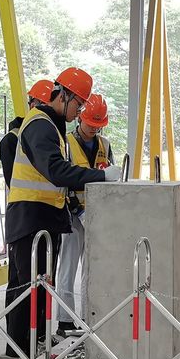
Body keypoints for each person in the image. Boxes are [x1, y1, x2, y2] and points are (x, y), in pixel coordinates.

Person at [4, 68, 121, 357]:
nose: (79, 111)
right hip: (30, 217)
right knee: (26, 289)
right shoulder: (40, 125)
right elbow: (56, 171)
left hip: (46, 217)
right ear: (64, 95)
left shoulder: (52, 127)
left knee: (40, 287)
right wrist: (101, 176)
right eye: (78, 104)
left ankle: (34, 344)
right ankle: (19, 352)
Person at [56, 93, 113, 337]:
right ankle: (65, 320)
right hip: (72, 216)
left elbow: (109, 179)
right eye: (90, 123)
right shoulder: (66, 143)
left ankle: (91, 316)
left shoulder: (105, 145)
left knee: (93, 270)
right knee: (68, 268)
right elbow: (62, 180)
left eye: (98, 125)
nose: (93, 129)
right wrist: (77, 210)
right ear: (80, 117)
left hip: (98, 216)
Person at [0, 79, 54, 188]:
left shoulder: (52, 136)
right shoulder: (12, 140)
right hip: (29, 198)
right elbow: (14, 185)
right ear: (33, 106)